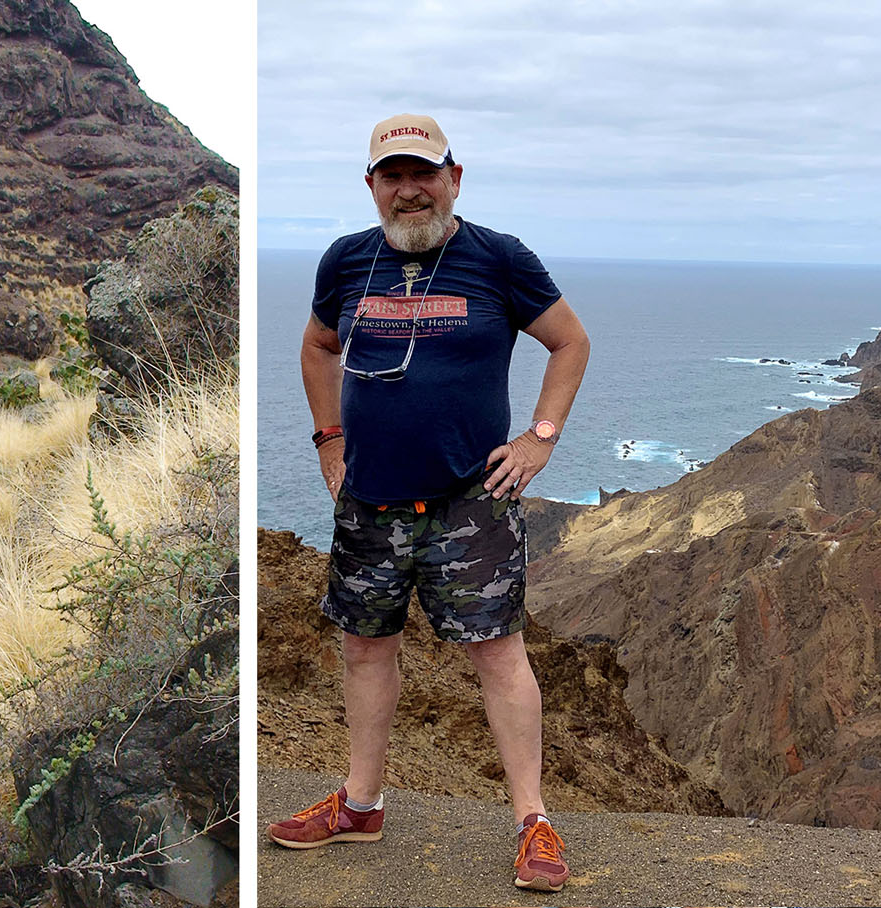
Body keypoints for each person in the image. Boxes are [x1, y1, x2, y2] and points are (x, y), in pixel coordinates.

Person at [268, 114, 590, 892]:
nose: (409, 190)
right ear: (372, 186)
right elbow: (317, 347)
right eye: (392, 176)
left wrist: (541, 437)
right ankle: (361, 804)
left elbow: (569, 341)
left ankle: (533, 823)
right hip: (369, 500)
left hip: (468, 501)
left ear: (454, 177)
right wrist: (328, 442)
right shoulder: (347, 261)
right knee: (366, 648)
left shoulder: (499, 258)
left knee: (498, 653)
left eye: (424, 173)